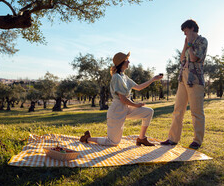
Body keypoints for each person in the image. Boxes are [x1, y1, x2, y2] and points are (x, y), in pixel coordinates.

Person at [80, 52, 163, 146]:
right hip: (116, 111)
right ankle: (88, 138)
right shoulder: (116, 77)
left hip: (126, 108)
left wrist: (153, 79)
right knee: (113, 142)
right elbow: (122, 99)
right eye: (127, 60)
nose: (129, 61)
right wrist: (136, 105)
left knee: (148, 112)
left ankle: (141, 138)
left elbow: (138, 87)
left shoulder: (125, 77)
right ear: (122, 63)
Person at [161, 19, 208, 150]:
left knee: (196, 111)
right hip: (183, 77)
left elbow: (193, 58)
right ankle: (172, 139)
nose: (184, 34)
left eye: (185, 31)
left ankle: (197, 141)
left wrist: (191, 45)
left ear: (192, 28)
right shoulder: (187, 42)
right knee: (178, 109)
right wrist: (185, 46)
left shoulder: (202, 41)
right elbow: (182, 59)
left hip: (195, 79)